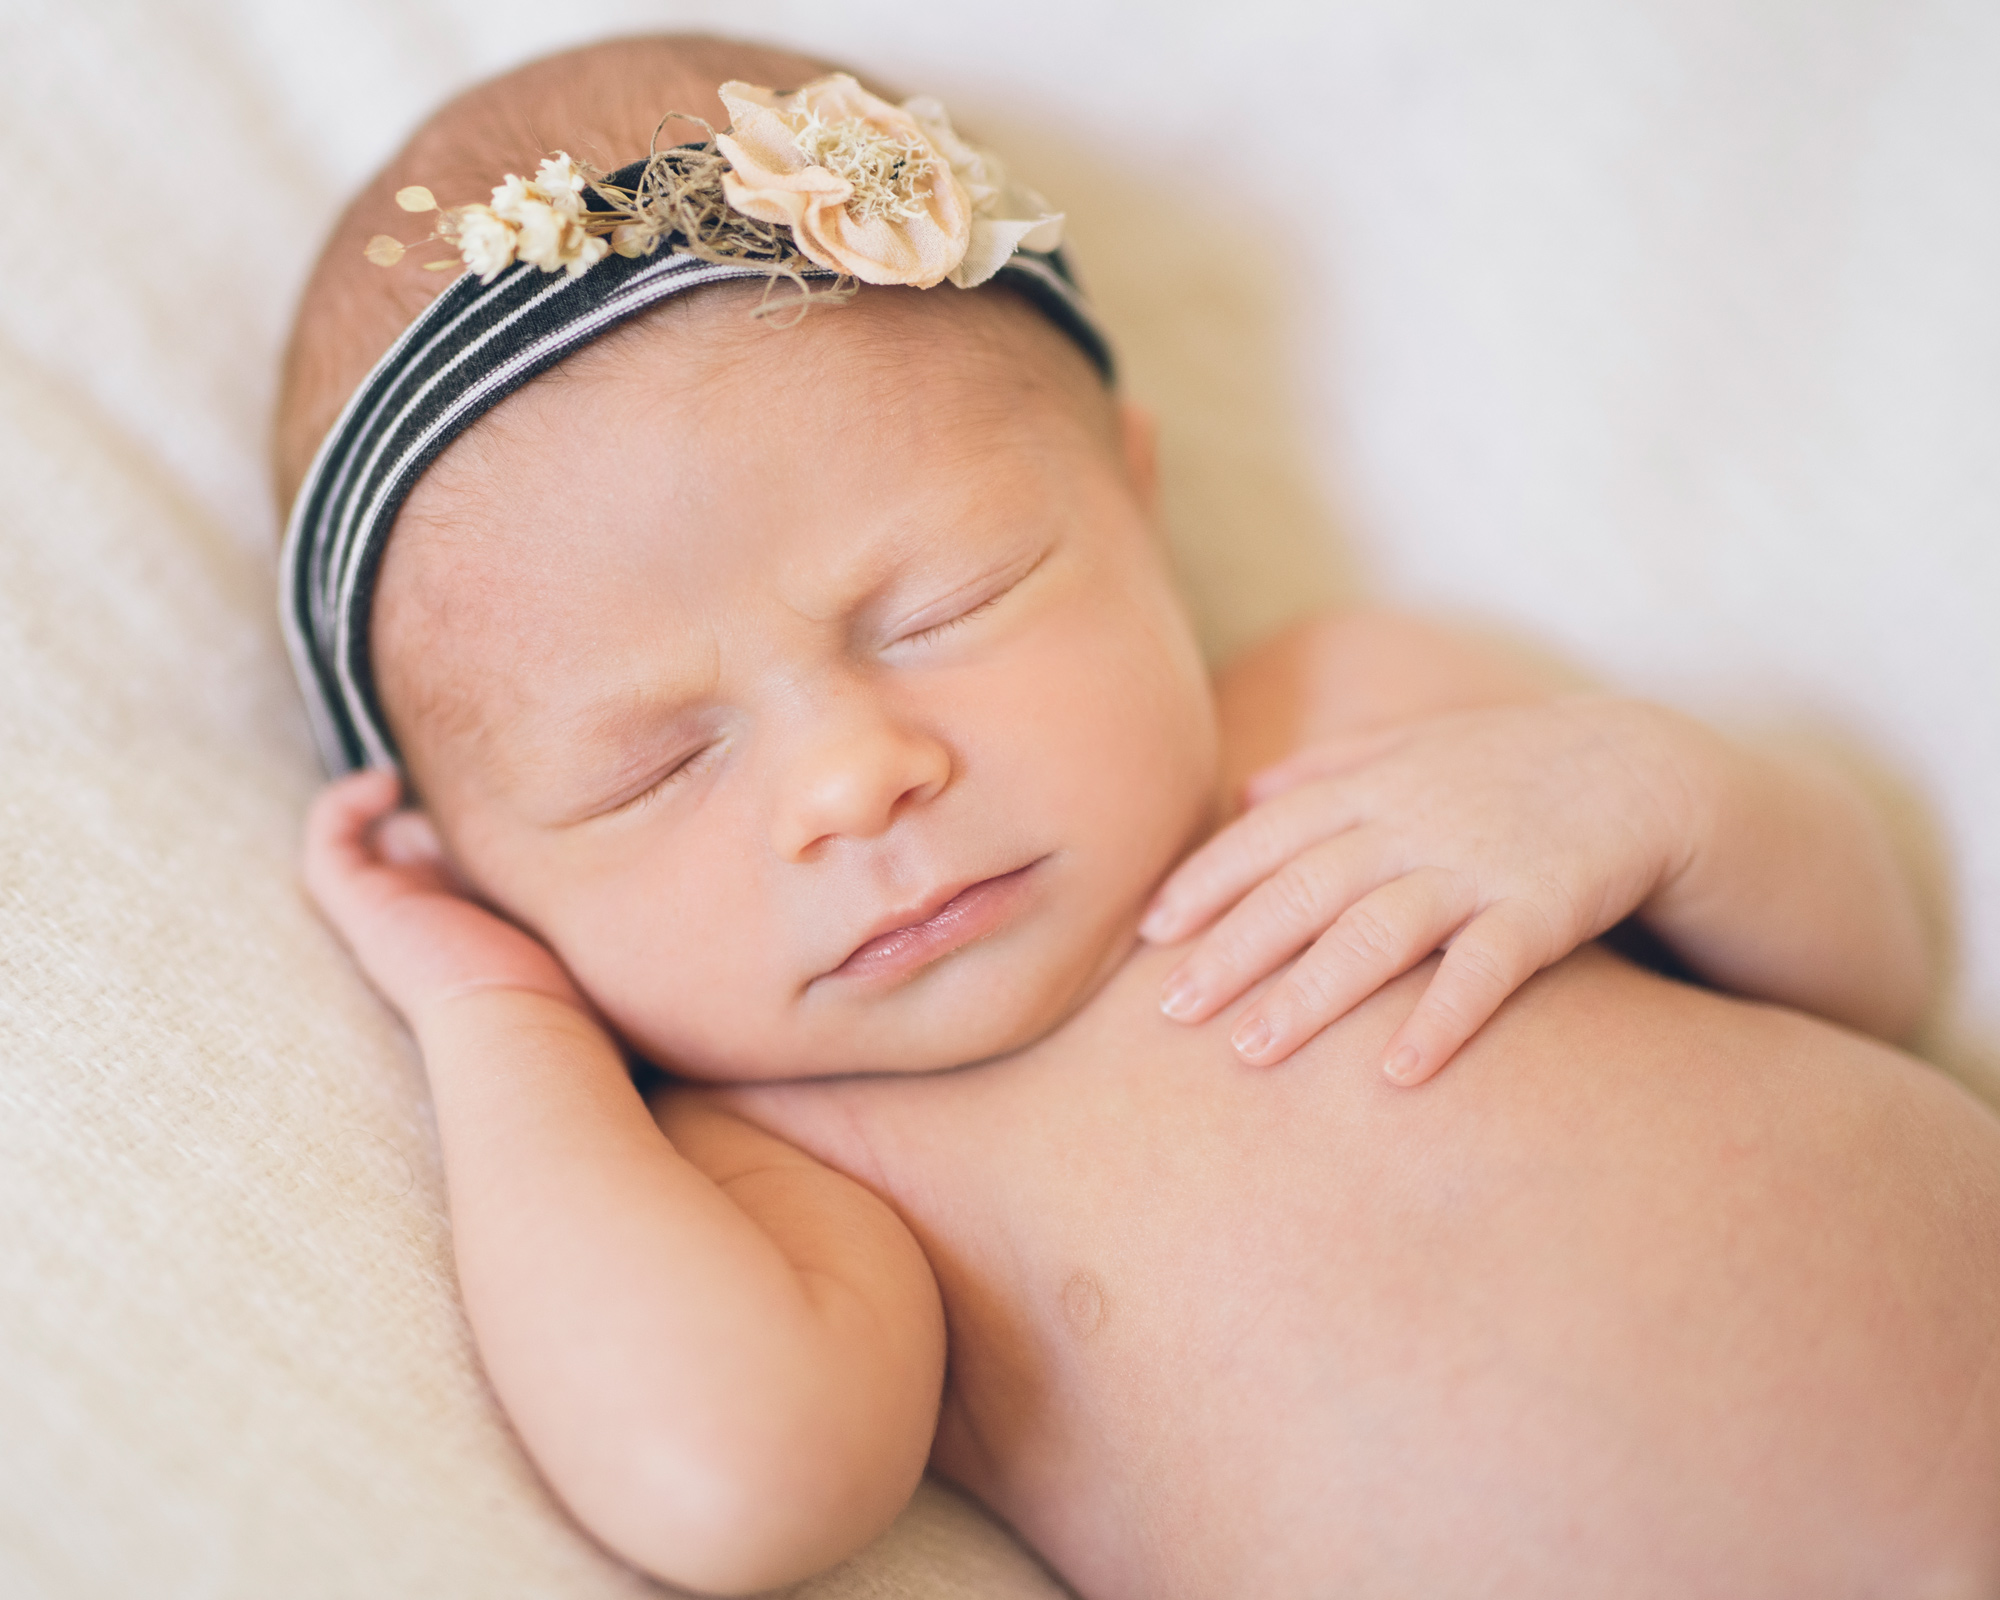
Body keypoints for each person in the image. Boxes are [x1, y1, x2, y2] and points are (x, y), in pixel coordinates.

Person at [277, 34, 2000, 1597]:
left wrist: (1650, 792)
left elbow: (1866, 965)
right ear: (487, 869)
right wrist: (492, 1015)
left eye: (945, 604)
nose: (851, 778)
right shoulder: (797, 1147)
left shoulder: (1364, 709)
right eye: (652, 768)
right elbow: (729, 1490)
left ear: (1136, 506)